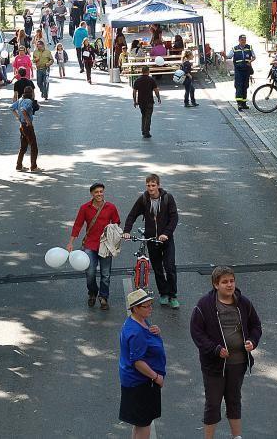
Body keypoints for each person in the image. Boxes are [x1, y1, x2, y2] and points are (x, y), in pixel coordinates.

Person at [190, 266, 262, 439]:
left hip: (238, 364)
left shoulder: (244, 303)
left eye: (231, 281)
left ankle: (236, 437)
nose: (229, 285)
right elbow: (196, 333)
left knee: (234, 401)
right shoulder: (204, 305)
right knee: (213, 404)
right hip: (214, 366)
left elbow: (256, 326)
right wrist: (215, 349)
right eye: (224, 282)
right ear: (216, 285)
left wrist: (252, 341)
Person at [123, 174, 179, 307]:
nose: (150, 188)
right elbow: (132, 215)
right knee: (158, 268)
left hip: (166, 239)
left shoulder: (167, 198)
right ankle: (164, 294)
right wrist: (126, 231)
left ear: (158, 185)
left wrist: (166, 233)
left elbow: (174, 218)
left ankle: (173, 295)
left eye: (153, 185)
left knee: (170, 267)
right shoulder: (143, 199)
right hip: (152, 239)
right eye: (148, 185)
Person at [119, 289, 165, 439]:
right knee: (145, 424)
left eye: (150, 305)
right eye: (146, 306)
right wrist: (156, 377)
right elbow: (138, 362)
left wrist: (156, 332)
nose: (151, 308)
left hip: (137, 382)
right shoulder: (136, 331)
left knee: (139, 422)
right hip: (140, 383)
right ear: (135, 309)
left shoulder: (140, 321)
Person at [67, 182, 120, 310]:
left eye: (101, 191)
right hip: (90, 245)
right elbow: (78, 225)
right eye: (96, 192)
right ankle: (92, 292)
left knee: (105, 274)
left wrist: (114, 234)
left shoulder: (110, 207)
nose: (99, 194)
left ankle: (103, 297)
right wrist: (71, 242)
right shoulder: (85, 208)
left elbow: (117, 222)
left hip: (105, 245)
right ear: (92, 194)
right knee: (90, 273)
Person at [11, 86, 40, 172]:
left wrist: (18, 117)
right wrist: (28, 120)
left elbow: (11, 107)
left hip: (22, 125)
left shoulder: (20, 99)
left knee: (23, 146)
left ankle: (19, 165)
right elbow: (23, 110)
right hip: (27, 126)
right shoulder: (29, 101)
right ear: (31, 93)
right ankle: (33, 166)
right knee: (34, 146)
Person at [226, 34, 255, 111]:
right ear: (239, 40)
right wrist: (223, 55)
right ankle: (239, 104)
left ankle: (244, 103)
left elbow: (254, 56)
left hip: (247, 70)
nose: (244, 42)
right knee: (239, 86)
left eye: (245, 40)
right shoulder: (234, 49)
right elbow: (228, 56)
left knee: (245, 86)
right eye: (242, 40)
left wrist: (250, 61)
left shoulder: (249, 47)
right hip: (238, 71)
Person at [131, 66, 160, 138]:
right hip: (149, 101)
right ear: (148, 71)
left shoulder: (137, 80)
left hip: (141, 101)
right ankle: (146, 131)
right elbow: (156, 90)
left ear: (142, 71)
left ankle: (143, 130)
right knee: (148, 116)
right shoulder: (151, 80)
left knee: (143, 115)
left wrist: (135, 101)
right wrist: (158, 97)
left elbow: (134, 92)